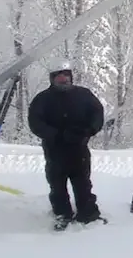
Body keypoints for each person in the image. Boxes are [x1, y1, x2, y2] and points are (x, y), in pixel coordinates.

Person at [27, 65, 105, 225]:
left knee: (83, 183)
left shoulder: (84, 95)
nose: (63, 78)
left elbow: (97, 114)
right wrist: (54, 134)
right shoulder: (42, 99)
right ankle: (62, 213)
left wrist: (87, 131)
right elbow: (35, 122)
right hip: (54, 150)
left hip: (79, 148)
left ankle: (88, 213)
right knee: (57, 184)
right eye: (58, 75)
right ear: (52, 78)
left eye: (66, 75)